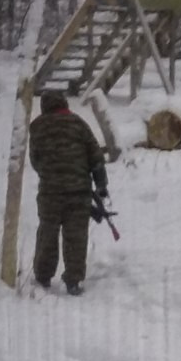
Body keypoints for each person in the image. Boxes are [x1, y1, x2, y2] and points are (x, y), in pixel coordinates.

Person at [27, 90, 107, 293]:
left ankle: (43, 275)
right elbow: (95, 155)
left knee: (48, 233)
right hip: (79, 191)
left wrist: (49, 174)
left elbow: (35, 160)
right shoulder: (78, 123)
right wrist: (101, 184)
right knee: (76, 236)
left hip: (50, 192)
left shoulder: (37, 126)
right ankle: (74, 279)